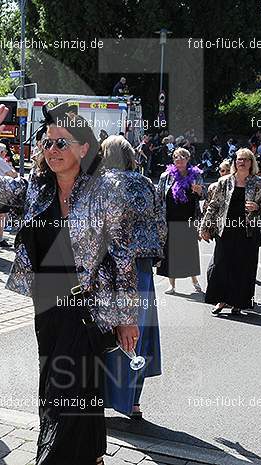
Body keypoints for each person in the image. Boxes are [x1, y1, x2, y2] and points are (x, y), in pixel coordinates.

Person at [0, 103, 140, 465]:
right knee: (60, 379)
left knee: (70, 384)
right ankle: (91, 453)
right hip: (46, 304)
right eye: (48, 144)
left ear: (83, 149)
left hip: (88, 303)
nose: (53, 151)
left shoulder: (104, 192)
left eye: (62, 143)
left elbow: (123, 257)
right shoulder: (36, 188)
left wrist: (128, 316)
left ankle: (53, 457)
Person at [100, 135, 165, 420]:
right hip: (143, 267)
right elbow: (161, 225)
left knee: (110, 330)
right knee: (140, 332)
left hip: (113, 266)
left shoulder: (101, 183)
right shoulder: (147, 183)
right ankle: (134, 402)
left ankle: (106, 398)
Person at [201, 148, 261, 315]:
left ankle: (239, 302)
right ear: (235, 162)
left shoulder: (259, 182)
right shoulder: (225, 182)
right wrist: (205, 226)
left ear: (251, 163)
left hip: (248, 231)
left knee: (243, 267)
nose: (242, 162)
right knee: (222, 265)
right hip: (226, 230)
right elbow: (214, 206)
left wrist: (257, 207)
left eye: (246, 159)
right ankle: (222, 300)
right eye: (239, 159)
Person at [156, 148, 204, 294]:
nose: (179, 160)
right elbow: (159, 197)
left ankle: (194, 280)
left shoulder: (195, 176)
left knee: (189, 251)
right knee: (170, 252)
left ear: (188, 159)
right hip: (170, 218)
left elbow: (204, 195)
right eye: (176, 157)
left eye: (183, 157)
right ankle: (172, 284)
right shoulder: (166, 176)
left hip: (188, 218)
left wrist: (199, 192)